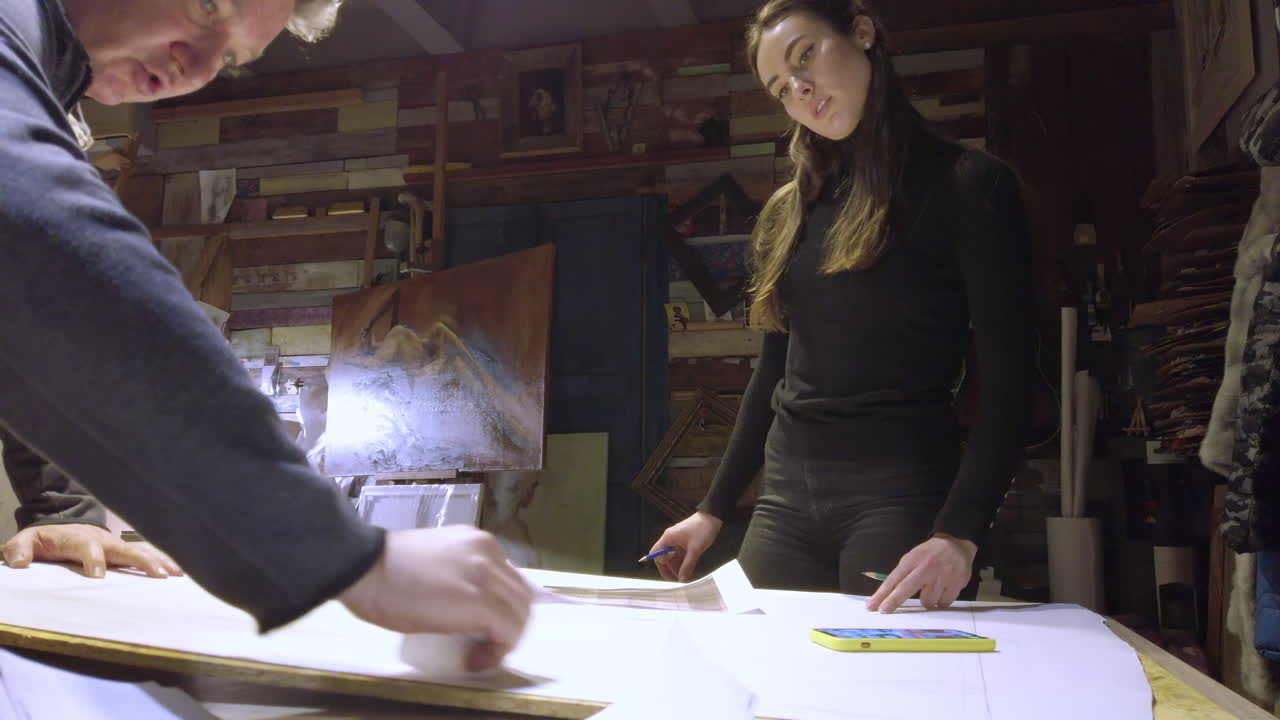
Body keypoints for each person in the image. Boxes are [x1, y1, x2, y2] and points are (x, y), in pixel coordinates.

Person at [0, 0, 531, 672]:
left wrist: (65, 506)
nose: (194, 66)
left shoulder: (42, 83)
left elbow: (29, 316)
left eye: (226, 57)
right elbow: (46, 253)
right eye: (205, 7)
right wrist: (347, 559)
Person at [649, 0, 1036, 614]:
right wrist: (712, 509)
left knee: (884, 691)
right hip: (785, 500)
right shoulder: (789, 210)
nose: (800, 89)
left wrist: (959, 534)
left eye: (806, 57)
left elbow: (1013, 382)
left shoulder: (969, 185)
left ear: (861, 31)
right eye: (780, 88)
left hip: (902, 494)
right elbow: (771, 375)